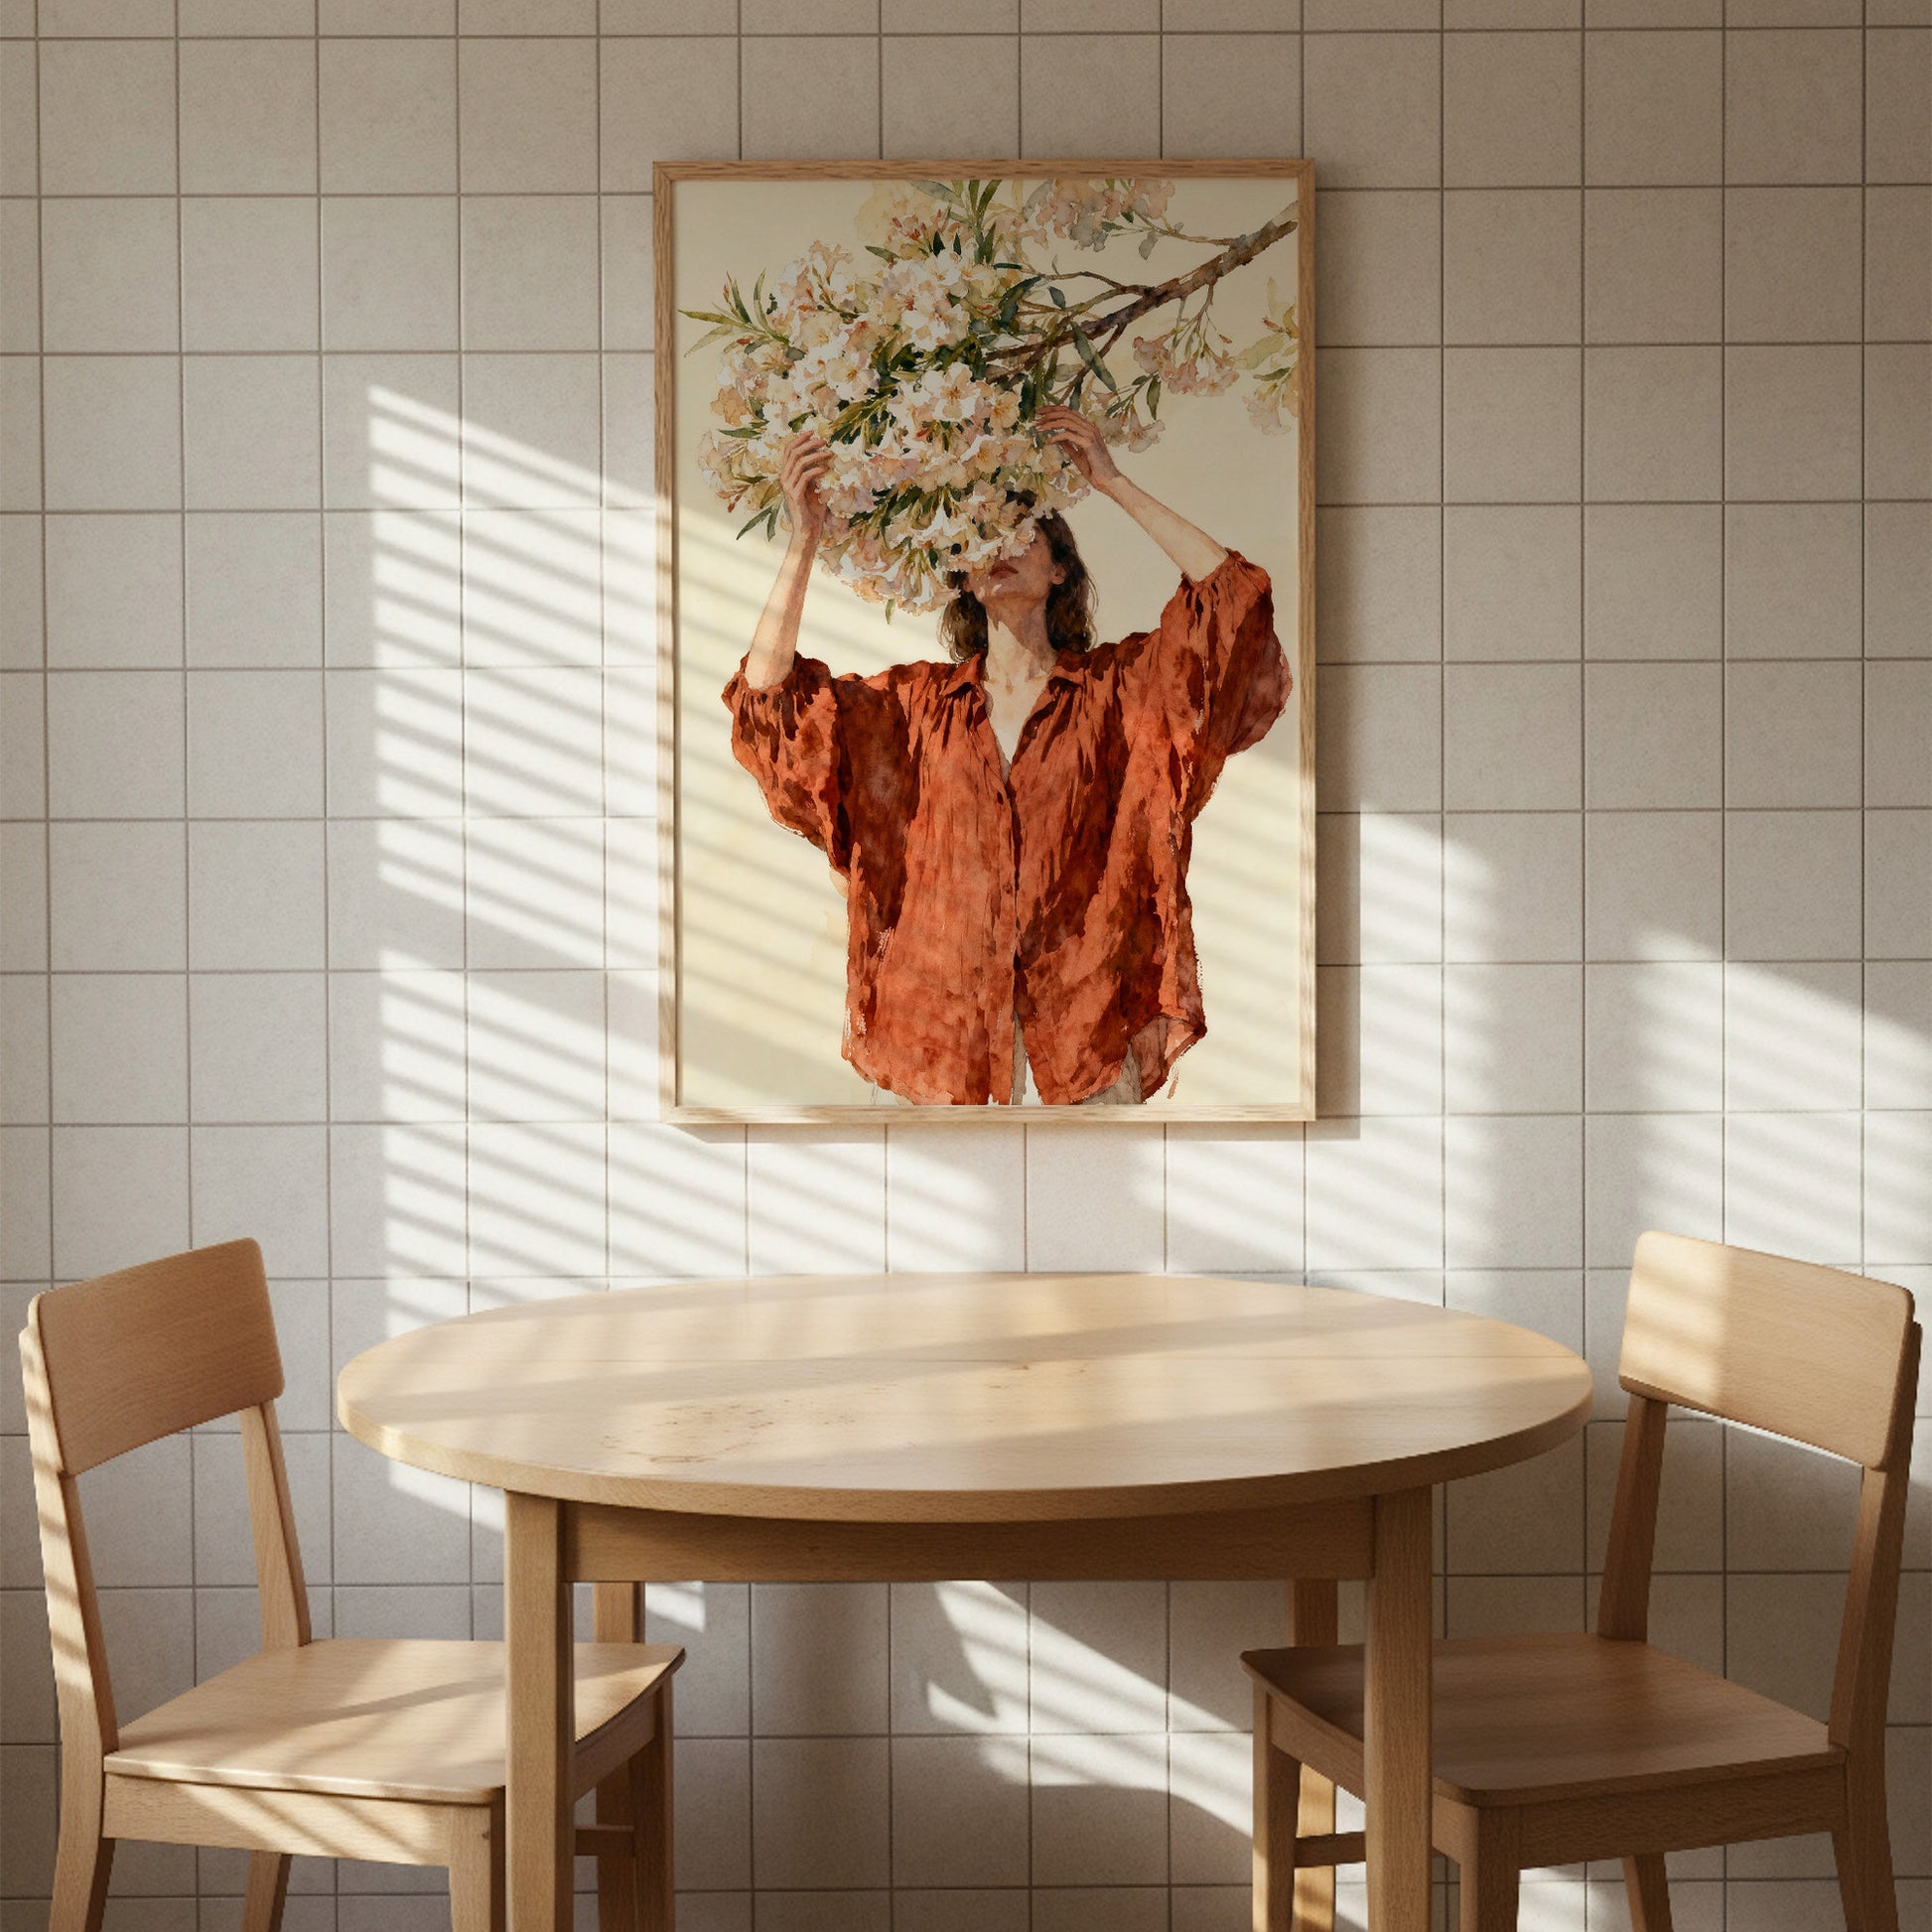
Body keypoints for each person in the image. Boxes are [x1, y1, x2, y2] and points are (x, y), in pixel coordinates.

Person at [724, 405, 1290, 1107]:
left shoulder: (1120, 692)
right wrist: (804, 539)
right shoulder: (910, 709)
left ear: (1060, 570)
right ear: (962, 577)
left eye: (1023, 532)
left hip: (1085, 1030)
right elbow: (770, 703)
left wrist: (1110, 480)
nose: (1002, 545)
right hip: (940, 1038)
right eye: (981, 535)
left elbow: (1231, 599)